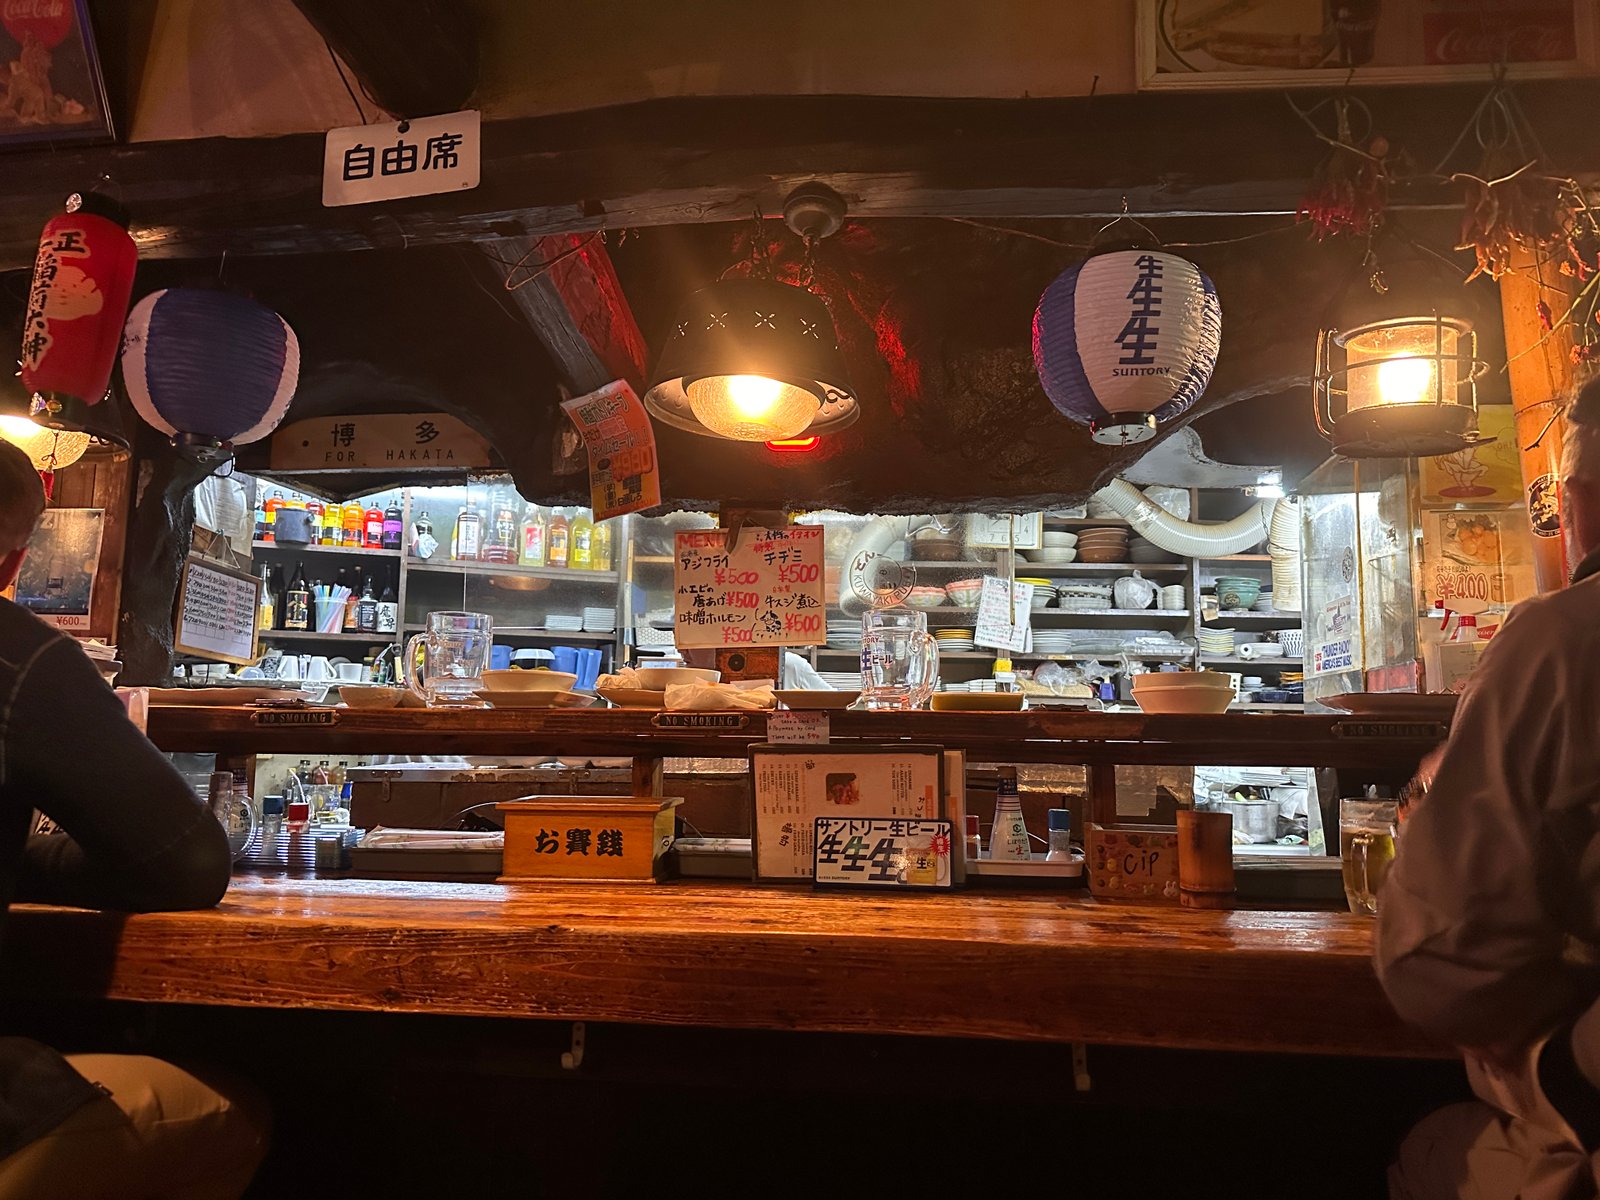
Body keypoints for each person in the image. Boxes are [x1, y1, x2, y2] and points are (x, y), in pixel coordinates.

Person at [0, 440, 266, 1199]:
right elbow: (188, 863)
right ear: (14, 564)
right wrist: (37, 862)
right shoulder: (20, 659)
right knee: (234, 1109)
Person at [1378, 382, 1600, 1198]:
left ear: (1576, 502)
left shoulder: (1560, 639)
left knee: (1428, 1147)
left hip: (1586, 1098)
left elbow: (1437, 960)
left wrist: (1430, 801)